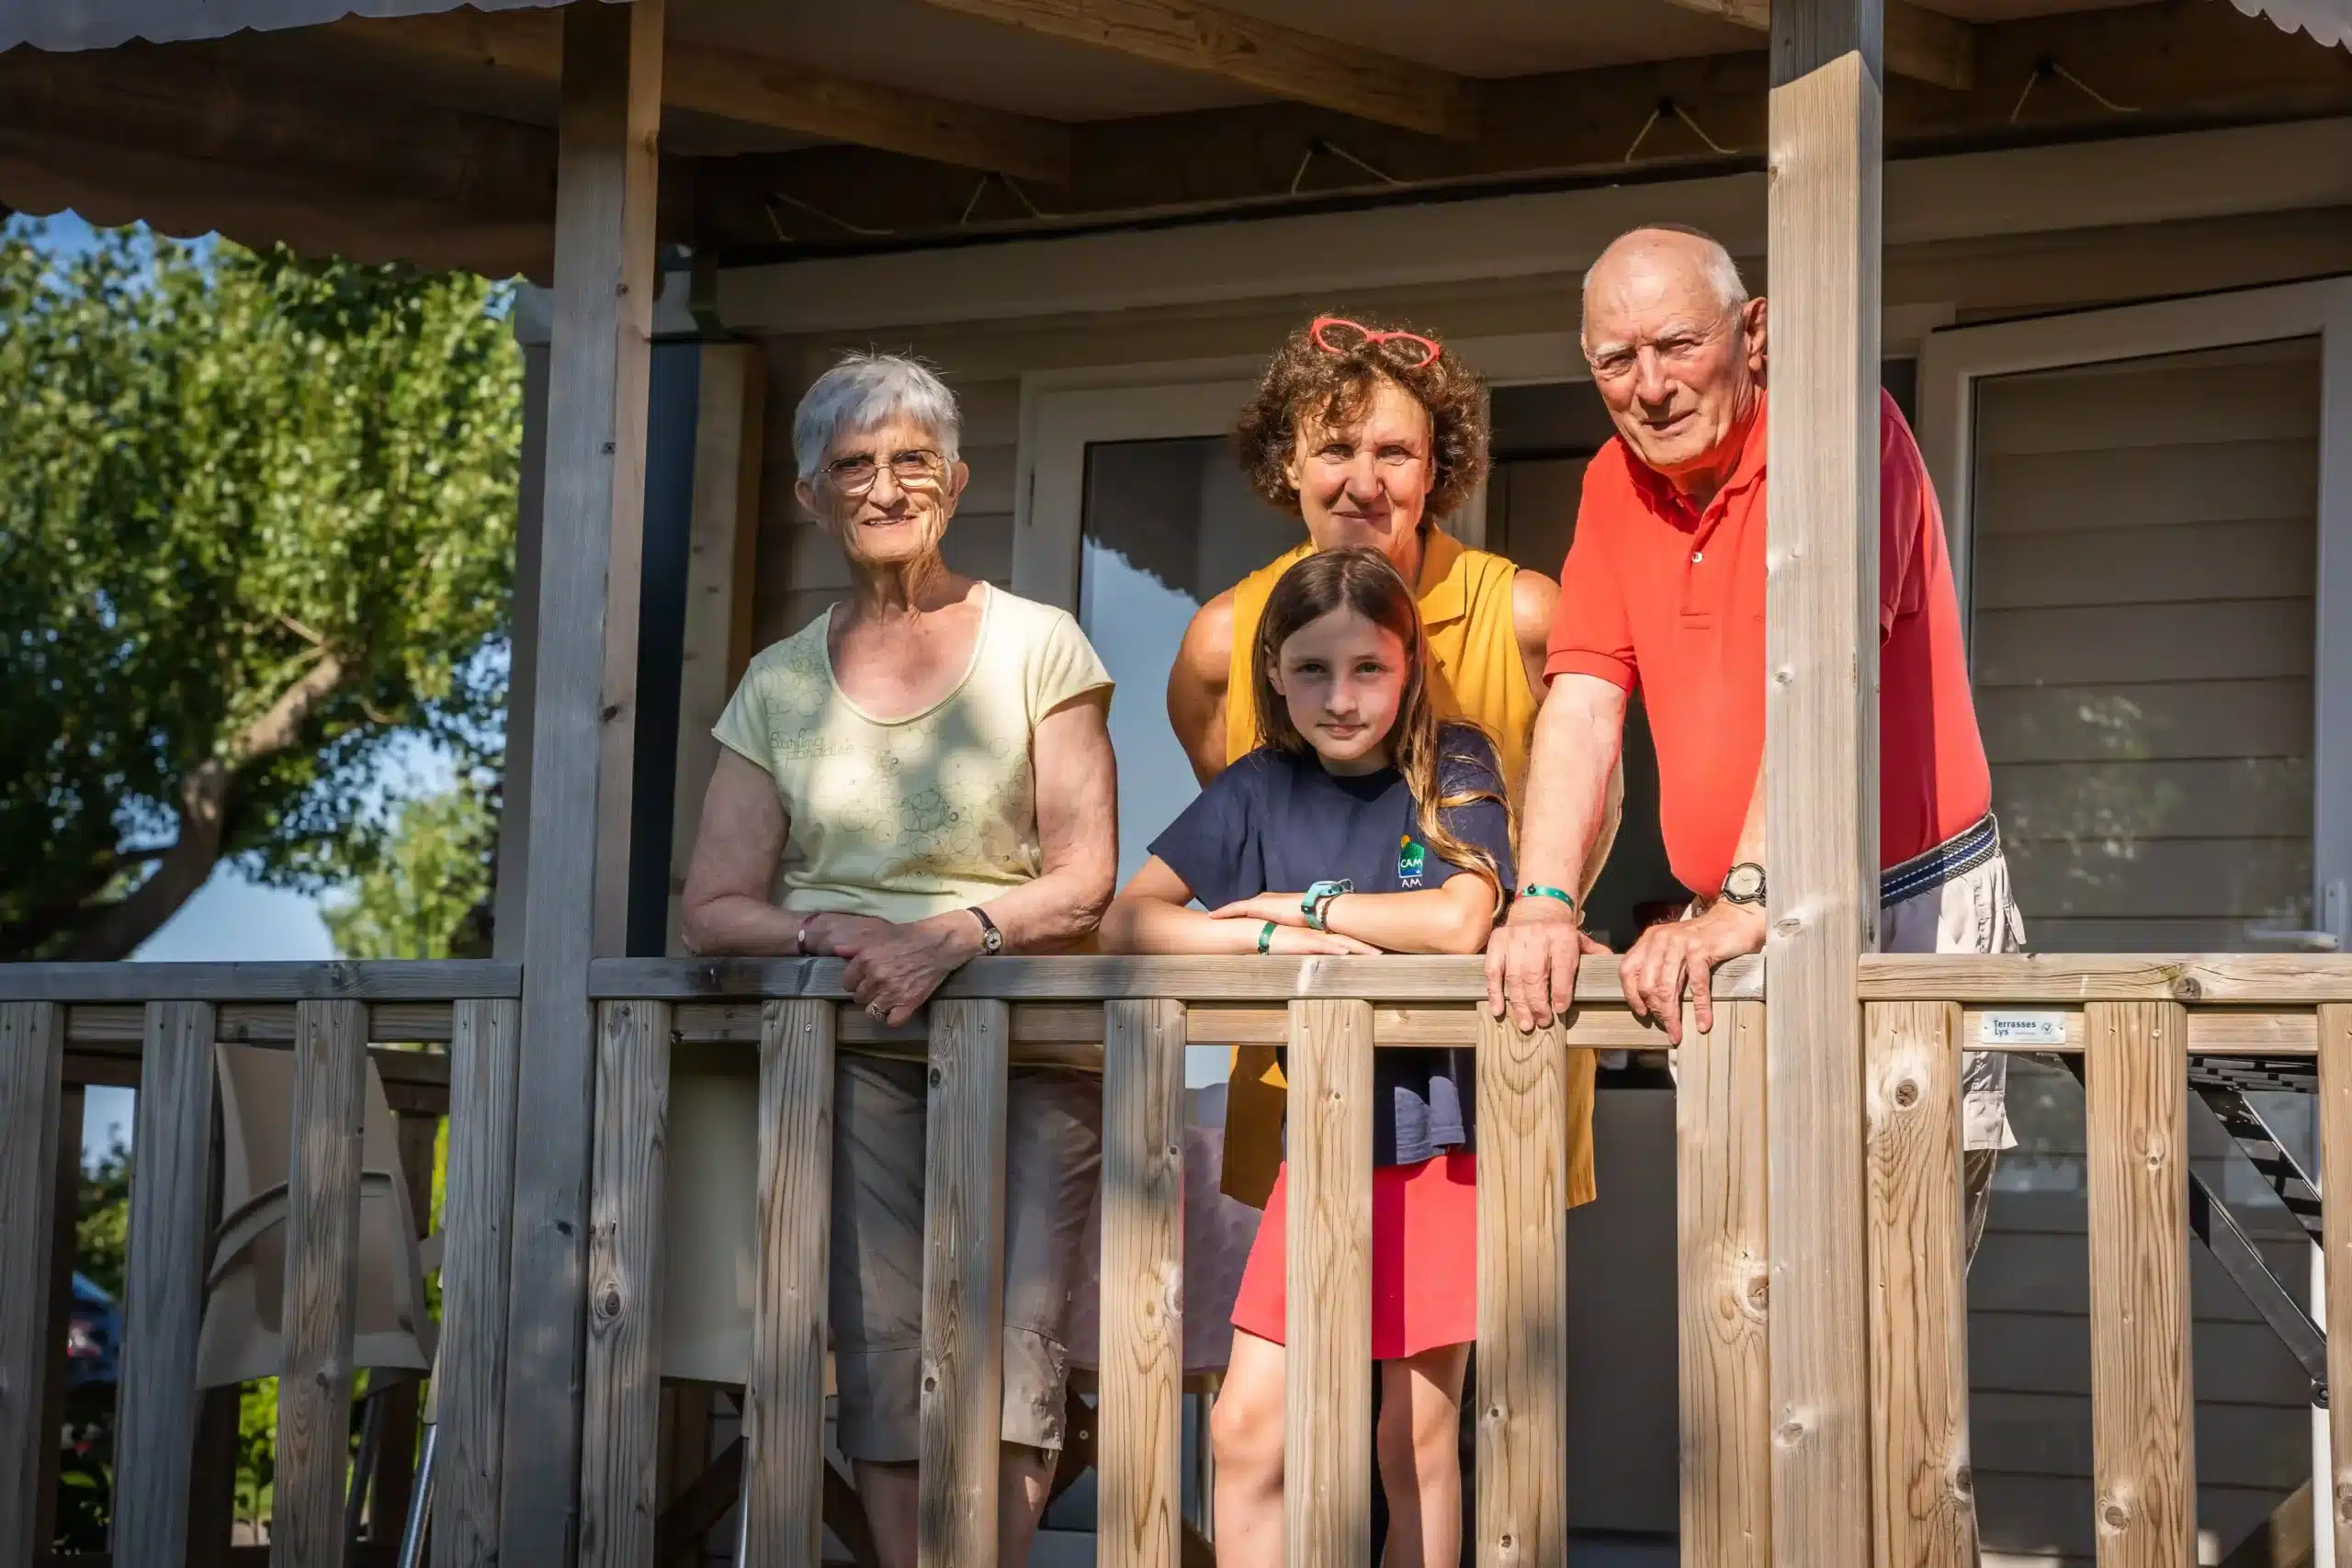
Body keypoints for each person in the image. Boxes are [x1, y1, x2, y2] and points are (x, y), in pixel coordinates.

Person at [1484, 223, 2023, 1258]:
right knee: (1748, 1278)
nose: (1649, 386)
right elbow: (1586, 695)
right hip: (1721, 917)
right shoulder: (1612, 478)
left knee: (1894, 1283)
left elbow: (1828, 681)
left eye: (1678, 345)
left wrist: (1752, 894)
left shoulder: (1841, 434)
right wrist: (1543, 901)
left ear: (1755, 332)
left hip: (1901, 900)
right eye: (1615, 359)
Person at [679, 352, 1117, 1568]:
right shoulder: (778, 681)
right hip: (854, 1049)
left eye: (911, 461)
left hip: (1032, 1041)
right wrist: (830, 930)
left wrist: (951, 933)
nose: (885, 486)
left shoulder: (1041, 643)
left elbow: (1086, 877)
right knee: (882, 1350)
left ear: (957, 480)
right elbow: (713, 906)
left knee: (1015, 1345)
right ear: (814, 496)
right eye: (854, 467)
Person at [1104, 547, 1515, 1568]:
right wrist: (1263, 942)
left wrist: (1308, 903)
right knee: (1245, 1429)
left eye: (1368, 669)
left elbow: (1462, 918)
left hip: (1433, 1137)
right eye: (1312, 672)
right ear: (1274, 678)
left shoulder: (1453, 762)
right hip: (1315, 1141)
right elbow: (1131, 920)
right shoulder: (1258, 785)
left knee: (1411, 1434)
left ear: (1409, 664)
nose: (1341, 698)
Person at [1169, 313, 1620, 1218]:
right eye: (1333, 448)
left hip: (1492, 1033)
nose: (1362, 484)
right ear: (1286, 463)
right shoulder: (1224, 640)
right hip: (1302, 1046)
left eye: (1395, 454)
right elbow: (1241, 818)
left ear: (1436, 469)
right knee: (1302, 1330)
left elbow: (1595, 798)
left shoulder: (1525, 612)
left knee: (1477, 1330)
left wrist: (1540, 911)